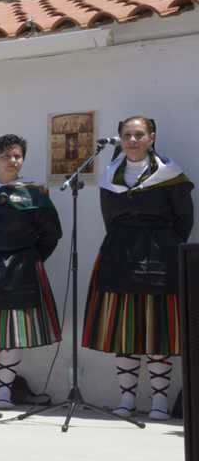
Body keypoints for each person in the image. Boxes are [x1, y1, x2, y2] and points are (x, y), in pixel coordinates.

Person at [83, 116, 193, 419]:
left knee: (159, 327)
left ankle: (159, 401)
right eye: (127, 135)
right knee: (124, 329)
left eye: (139, 134)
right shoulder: (110, 176)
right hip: (120, 254)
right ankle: (127, 399)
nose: (132, 140)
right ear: (120, 139)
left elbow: (184, 221)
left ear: (151, 137)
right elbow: (109, 219)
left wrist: (164, 245)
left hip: (160, 254)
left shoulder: (171, 175)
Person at [0, 134, 62, 408]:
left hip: (20, 270)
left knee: (11, 334)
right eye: (6, 156)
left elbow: (51, 234)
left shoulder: (35, 194)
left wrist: (31, 259)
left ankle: (5, 392)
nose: (12, 160)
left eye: (17, 156)